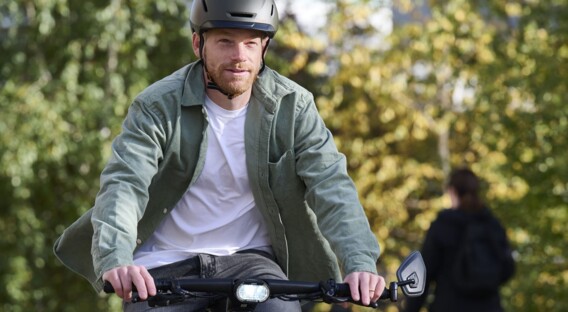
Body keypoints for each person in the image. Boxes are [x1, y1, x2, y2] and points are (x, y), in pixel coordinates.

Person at [53, 0, 385, 310]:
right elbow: (125, 183)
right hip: (164, 264)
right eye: (225, 41)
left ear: (264, 47)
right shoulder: (158, 105)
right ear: (198, 44)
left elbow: (331, 185)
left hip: (252, 262)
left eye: (251, 43)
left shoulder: (293, 107)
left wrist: (359, 263)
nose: (239, 56)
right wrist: (116, 257)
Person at [403, 168, 515, 312]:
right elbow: (508, 268)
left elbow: (424, 274)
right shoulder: (492, 224)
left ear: (452, 191)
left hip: (448, 305)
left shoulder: (444, 225)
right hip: (489, 306)